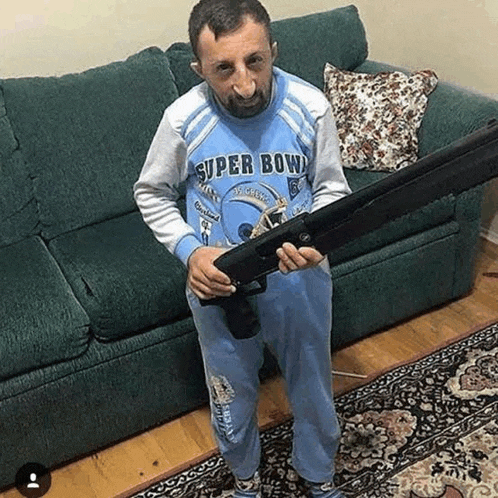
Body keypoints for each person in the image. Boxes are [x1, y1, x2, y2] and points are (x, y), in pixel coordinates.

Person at [134, 1, 351, 496]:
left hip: (300, 281)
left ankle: (318, 475)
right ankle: (246, 481)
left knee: (312, 385)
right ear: (199, 69)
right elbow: (151, 192)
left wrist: (317, 242)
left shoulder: (311, 106)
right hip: (219, 288)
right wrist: (191, 251)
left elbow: (332, 189)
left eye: (256, 61)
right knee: (230, 393)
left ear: (273, 50)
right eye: (223, 69)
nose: (245, 85)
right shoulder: (183, 119)